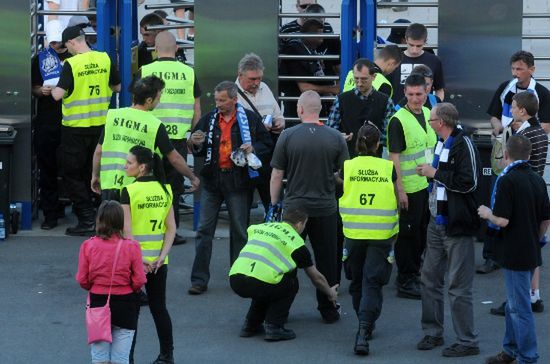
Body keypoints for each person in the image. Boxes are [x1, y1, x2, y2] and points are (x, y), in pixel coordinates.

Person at [187, 81, 273, 295]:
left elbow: (267, 145)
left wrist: (253, 148)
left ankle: (239, 275)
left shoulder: (251, 120)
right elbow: (196, 148)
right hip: (212, 181)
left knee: (239, 232)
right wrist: (193, 143)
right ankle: (199, 280)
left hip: (238, 181)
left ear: (235, 99)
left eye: (222, 100)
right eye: (216, 100)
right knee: (204, 230)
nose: (218, 104)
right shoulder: (208, 119)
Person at [270, 90, 349, 323]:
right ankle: (329, 309)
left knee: (287, 261)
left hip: (295, 210)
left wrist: (274, 205)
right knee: (327, 261)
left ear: (300, 110)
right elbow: (343, 175)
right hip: (325, 207)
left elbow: (277, 174)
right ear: (320, 111)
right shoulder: (336, 137)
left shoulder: (287, 135)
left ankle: (279, 311)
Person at [414, 103, 481, 357]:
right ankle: (433, 332)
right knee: (429, 278)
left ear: (441, 122)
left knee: (458, 286)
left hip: (457, 224)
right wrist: (431, 174)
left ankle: (467, 340)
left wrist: (436, 173)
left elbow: (470, 183)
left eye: (431, 120)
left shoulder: (464, 145)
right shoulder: (442, 143)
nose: (429, 123)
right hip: (436, 221)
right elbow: (442, 177)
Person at [478, 135, 550, 364]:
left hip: (513, 252)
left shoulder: (508, 180)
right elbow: (545, 220)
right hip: (530, 250)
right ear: (529, 155)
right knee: (514, 305)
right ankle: (510, 350)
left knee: (520, 308)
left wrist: (487, 213)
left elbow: (502, 220)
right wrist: (536, 240)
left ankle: (527, 357)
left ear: (506, 155)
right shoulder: (538, 179)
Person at [479, 50, 550, 274]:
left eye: (520, 69)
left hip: (524, 159)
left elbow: (546, 126)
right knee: (496, 200)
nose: (515, 73)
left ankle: (521, 255)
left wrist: (520, 129)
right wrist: (498, 127)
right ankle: (491, 256)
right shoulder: (505, 88)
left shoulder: (541, 93)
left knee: (519, 211)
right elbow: (493, 115)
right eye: (513, 69)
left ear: (532, 69)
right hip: (503, 154)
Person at [229, 208, 339, 341]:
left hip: (236, 279)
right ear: (299, 224)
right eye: (305, 224)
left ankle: (250, 325)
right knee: (290, 282)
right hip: (260, 282)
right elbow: (316, 277)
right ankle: (274, 326)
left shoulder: (263, 227)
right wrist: (330, 292)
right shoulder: (296, 243)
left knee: (267, 282)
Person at [52, 25, 121, 236]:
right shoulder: (105, 58)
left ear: (73, 42)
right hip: (101, 127)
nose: (68, 50)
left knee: (73, 175)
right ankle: (104, 220)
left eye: (67, 46)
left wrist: (52, 88)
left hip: (75, 129)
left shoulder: (71, 64)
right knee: (99, 173)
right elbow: (117, 87)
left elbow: (58, 95)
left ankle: (86, 219)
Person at [338, 123, 398, 356]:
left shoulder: (348, 167)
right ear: (378, 145)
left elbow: (343, 186)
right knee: (372, 282)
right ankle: (365, 328)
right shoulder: (387, 167)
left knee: (356, 282)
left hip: (354, 233)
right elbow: (393, 196)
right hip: (381, 234)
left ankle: (363, 326)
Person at [90, 75, 199, 201]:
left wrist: (95, 175)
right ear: (149, 100)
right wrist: (192, 177)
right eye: (158, 97)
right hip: (136, 190)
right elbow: (174, 158)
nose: (159, 101)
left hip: (109, 187)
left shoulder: (113, 115)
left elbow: (98, 151)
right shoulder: (155, 125)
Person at [139, 31, 202, 245]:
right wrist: (194, 135)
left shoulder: (146, 70)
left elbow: (136, 104)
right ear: (177, 49)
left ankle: (150, 228)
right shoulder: (188, 72)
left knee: (149, 184)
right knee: (173, 188)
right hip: (176, 139)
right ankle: (171, 232)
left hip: (149, 138)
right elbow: (196, 107)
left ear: (155, 50)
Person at [489, 92, 548, 317]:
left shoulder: (525, 134)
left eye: (513, 106)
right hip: (536, 191)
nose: (510, 110)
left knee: (519, 250)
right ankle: (534, 296)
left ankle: (519, 299)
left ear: (523, 110)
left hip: (522, 194)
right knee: (534, 247)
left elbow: (515, 160)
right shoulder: (540, 131)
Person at [121, 146, 177, 364]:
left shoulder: (129, 191)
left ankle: (128, 358)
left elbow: (127, 231)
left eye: (129, 163)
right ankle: (167, 355)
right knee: (159, 308)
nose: (125, 166)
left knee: (131, 312)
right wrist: (162, 256)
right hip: (159, 262)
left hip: (135, 262)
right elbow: (171, 228)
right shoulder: (166, 190)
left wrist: (140, 259)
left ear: (142, 167)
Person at [76, 200, 147, 364]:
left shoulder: (88, 245)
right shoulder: (132, 246)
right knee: (121, 358)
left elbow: (82, 279)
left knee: (99, 357)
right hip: (126, 304)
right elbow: (139, 280)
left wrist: (96, 286)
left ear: (99, 220)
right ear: (120, 221)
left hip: (98, 302)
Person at [387, 74, 437, 299]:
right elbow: (394, 157)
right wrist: (400, 189)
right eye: (411, 95)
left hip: (425, 185)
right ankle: (406, 280)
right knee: (407, 235)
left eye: (419, 94)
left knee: (420, 233)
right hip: (408, 187)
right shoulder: (398, 120)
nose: (415, 98)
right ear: (405, 94)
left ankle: (415, 273)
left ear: (427, 92)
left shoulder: (428, 114)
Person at [32, 20, 70, 230]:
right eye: (52, 42)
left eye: (58, 42)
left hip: (71, 121)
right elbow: (33, 87)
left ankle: (76, 208)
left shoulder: (76, 58)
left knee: (72, 169)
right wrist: (40, 91)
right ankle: (50, 213)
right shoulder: (40, 59)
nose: (54, 46)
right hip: (47, 122)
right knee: (47, 170)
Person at [236, 53, 285, 213]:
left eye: (259, 78)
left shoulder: (265, 88)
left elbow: (279, 116)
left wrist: (279, 123)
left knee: (273, 199)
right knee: (243, 204)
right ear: (240, 75)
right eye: (252, 79)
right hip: (244, 158)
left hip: (267, 154)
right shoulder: (232, 94)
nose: (257, 83)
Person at [328, 58, 395, 158]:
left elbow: (390, 135)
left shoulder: (385, 101)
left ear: (374, 77)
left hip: (375, 161)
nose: (359, 83)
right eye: (356, 78)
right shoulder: (341, 100)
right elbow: (330, 131)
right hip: (348, 159)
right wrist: (339, 137)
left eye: (364, 79)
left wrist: (373, 139)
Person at [279, 18, 340, 120]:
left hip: (313, 106)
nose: (323, 38)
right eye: (320, 34)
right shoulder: (294, 51)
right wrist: (332, 89)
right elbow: (304, 87)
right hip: (297, 109)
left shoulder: (309, 50)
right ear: (310, 35)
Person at [389, 23, 445, 103]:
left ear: (425, 42)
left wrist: (436, 108)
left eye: (418, 46)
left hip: (426, 112)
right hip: (399, 111)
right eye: (411, 45)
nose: (414, 50)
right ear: (406, 39)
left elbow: (439, 90)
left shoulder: (434, 61)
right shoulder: (394, 60)